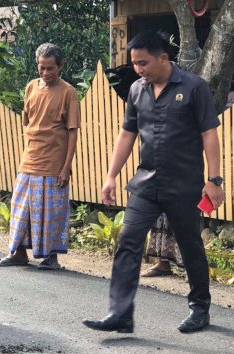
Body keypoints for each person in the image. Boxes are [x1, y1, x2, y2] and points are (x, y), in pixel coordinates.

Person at [82, 31, 225, 333]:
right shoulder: (136, 90)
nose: (138, 70)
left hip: (183, 186)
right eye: (134, 64)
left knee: (190, 247)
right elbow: (127, 135)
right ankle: (120, 313)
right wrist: (110, 176)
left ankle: (200, 308)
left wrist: (214, 179)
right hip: (145, 184)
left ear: (163, 58)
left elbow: (209, 134)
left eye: (143, 63)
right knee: (128, 242)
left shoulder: (193, 87)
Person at [0, 43, 80, 270]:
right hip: (30, 159)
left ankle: (51, 257)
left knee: (51, 212)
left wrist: (66, 167)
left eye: (50, 68)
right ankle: (19, 253)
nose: (45, 73)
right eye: (41, 67)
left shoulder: (68, 93)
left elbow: (72, 131)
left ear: (60, 67)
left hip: (54, 164)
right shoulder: (31, 87)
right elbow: (28, 122)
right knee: (19, 207)